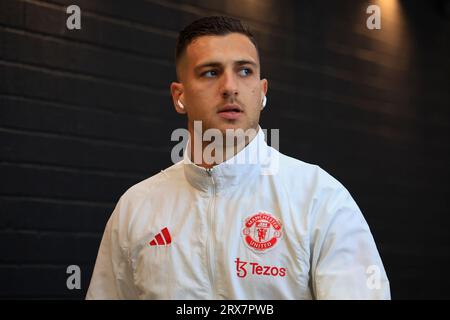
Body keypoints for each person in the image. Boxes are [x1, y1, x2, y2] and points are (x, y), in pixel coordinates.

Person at [86, 16, 390, 300]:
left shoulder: (319, 198)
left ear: (262, 91)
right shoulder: (136, 207)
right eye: (210, 72)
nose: (230, 87)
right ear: (180, 96)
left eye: (245, 71)